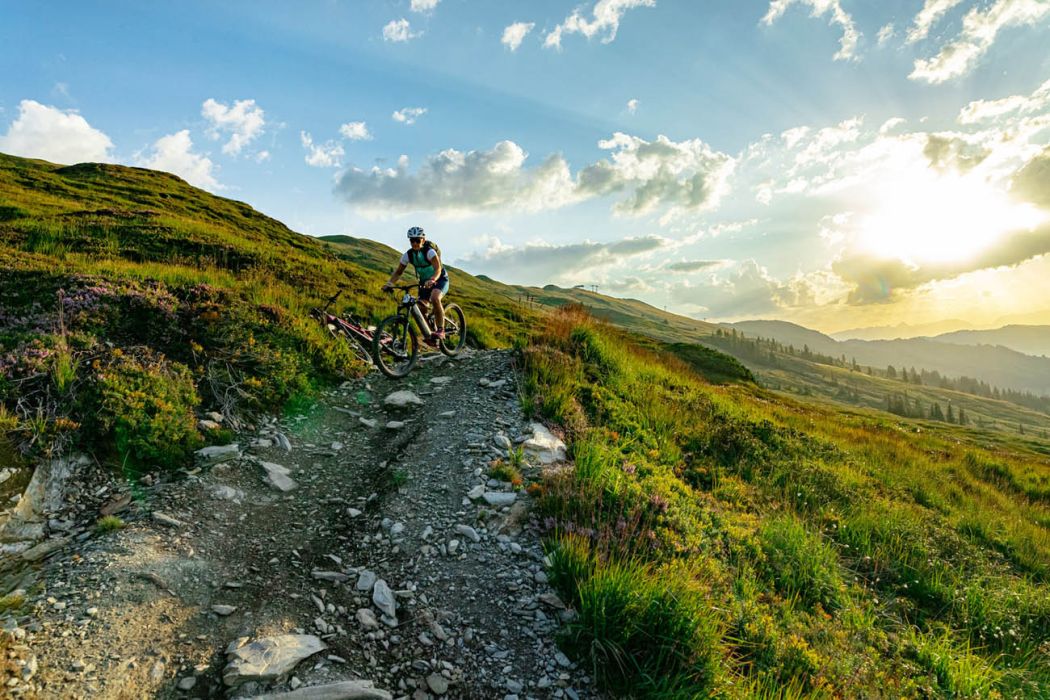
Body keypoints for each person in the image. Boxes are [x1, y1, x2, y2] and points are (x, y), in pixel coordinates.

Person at [382, 226, 449, 344]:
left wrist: (433, 279)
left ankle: (441, 329)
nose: (414, 243)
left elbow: (438, 269)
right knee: (420, 308)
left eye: (417, 240)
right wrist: (389, 283)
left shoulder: (430, 252)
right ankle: (430, 335)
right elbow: (398, 272)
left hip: (440, 279)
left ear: (423, 240)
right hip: (424, 282)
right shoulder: (408, 255)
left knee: (435, 298)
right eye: (412, 240)